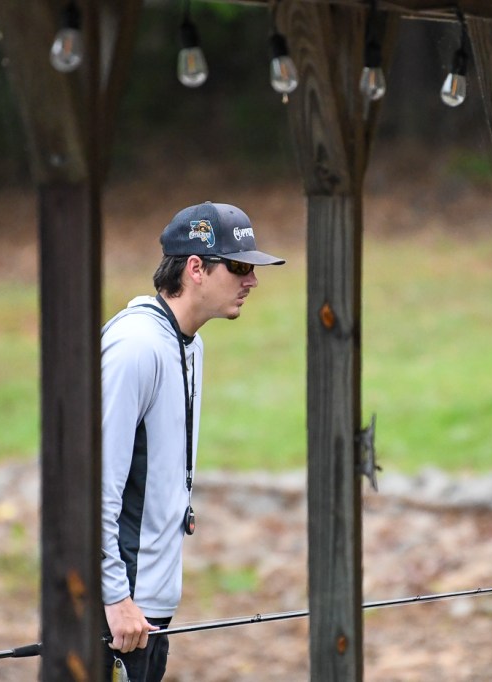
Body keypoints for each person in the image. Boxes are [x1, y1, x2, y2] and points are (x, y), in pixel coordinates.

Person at [100, 201, 285, 681]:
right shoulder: (135, 346)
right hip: (120, 613)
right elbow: (92, 485)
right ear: (196, 269)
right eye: (239, 267)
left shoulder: (189, 344)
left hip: (150, 610)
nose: (252, 280)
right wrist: (115, 597)